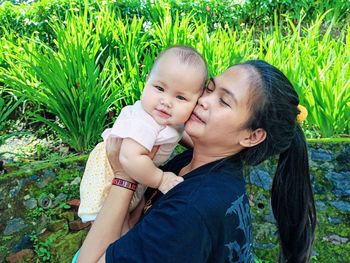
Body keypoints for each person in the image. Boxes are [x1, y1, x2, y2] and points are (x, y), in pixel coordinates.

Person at [78, 60, 317, 263]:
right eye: (209, 88)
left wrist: (124, 175)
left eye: (224, 101)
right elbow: (132, 233)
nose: (204, 100)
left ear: (252, 136)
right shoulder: (199, 164)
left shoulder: (192, 210)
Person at [78, 45, 208, 224]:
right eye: (160, 88)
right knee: (107, 222)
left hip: (137, 172)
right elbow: (130, 158)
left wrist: (198, 146)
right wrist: (161, 179)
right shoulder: (145, 122)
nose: (166, 101)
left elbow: (178, 134)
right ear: (147, 82)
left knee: (126, 218)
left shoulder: (168, 120)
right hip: (109, 175)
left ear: (195, 103)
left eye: (180, 98)